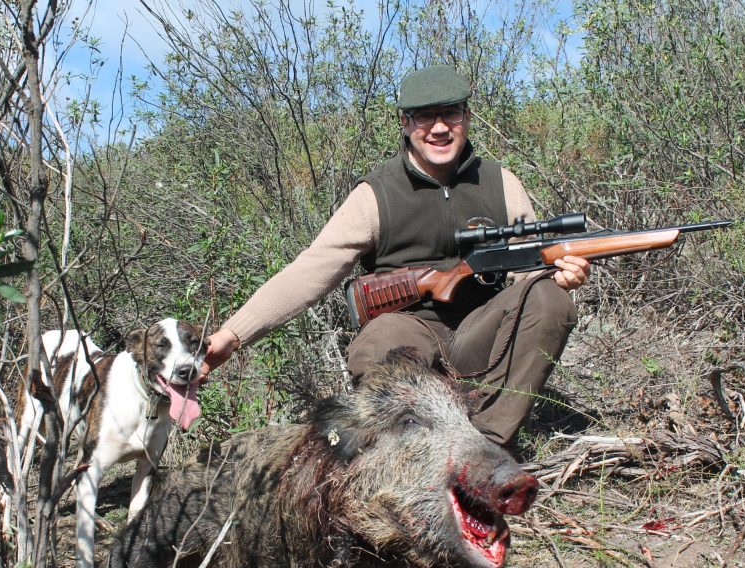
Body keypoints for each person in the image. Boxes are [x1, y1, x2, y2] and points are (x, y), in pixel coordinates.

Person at [200, 65, 590, 447]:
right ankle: (402, 451)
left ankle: (488, 444)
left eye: (451, 113)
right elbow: (310, 271)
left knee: (549, 299)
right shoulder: (376, 194)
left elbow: (526, 276)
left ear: (468, 117)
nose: (440, 128)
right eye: (425, 117)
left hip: (480, 336)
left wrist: (556, 279)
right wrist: (231, 337)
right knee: (381, 344)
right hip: (408, 331)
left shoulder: (500, 182)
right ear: (405, 123)